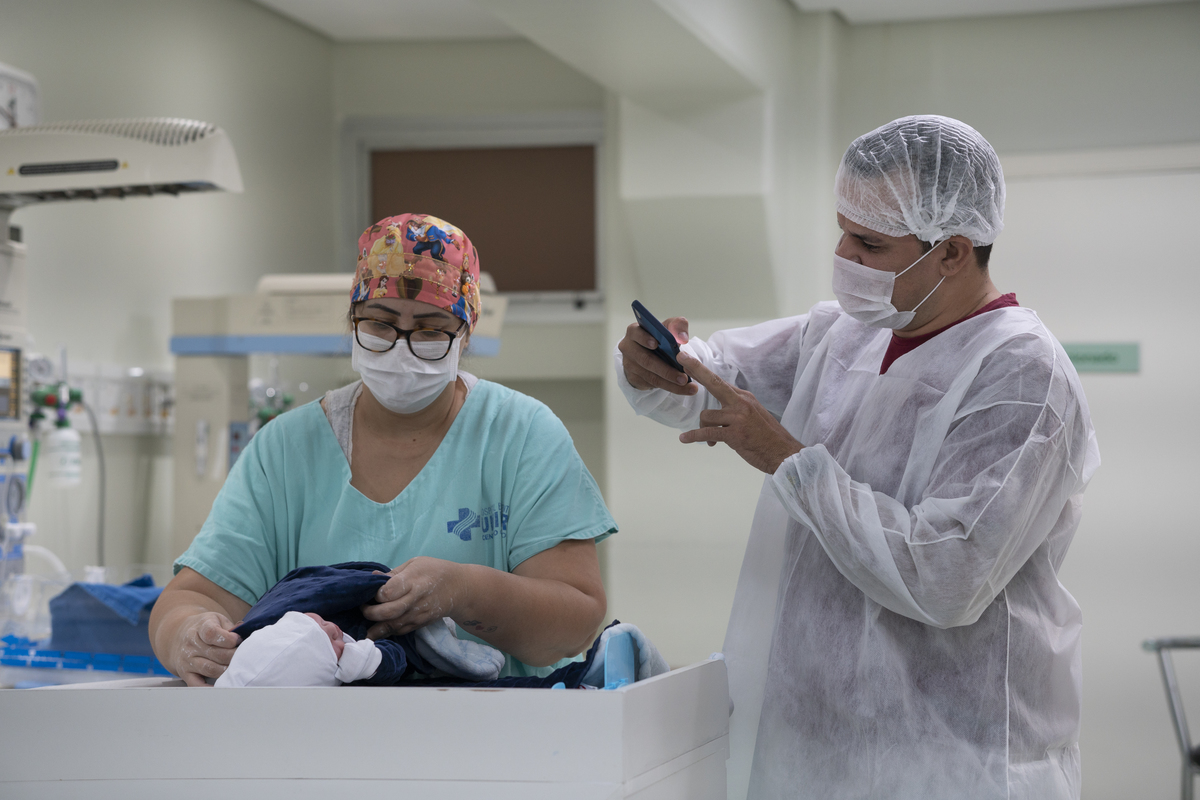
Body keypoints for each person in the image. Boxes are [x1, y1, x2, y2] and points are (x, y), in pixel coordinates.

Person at [615, 116, 1099, 799]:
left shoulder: (1022, 375)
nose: (843, 255)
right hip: (809, 752)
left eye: (869, 243)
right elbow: (717, 375)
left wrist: (790, 460)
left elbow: (947, 575)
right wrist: (658, 367)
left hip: (956, 763)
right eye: (843, 231)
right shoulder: (844, 334)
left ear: (952, 252)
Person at [151, 213, 616, 687]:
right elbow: (192, 597)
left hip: (494, 726)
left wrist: (465, 592)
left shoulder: (520, 436)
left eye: (431, 330)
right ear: (352, 320)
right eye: (380, 324)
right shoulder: (287, 450)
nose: (401, 348)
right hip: (318, 728)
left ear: (465, 335)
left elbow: (574, 626)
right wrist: (190, 635)